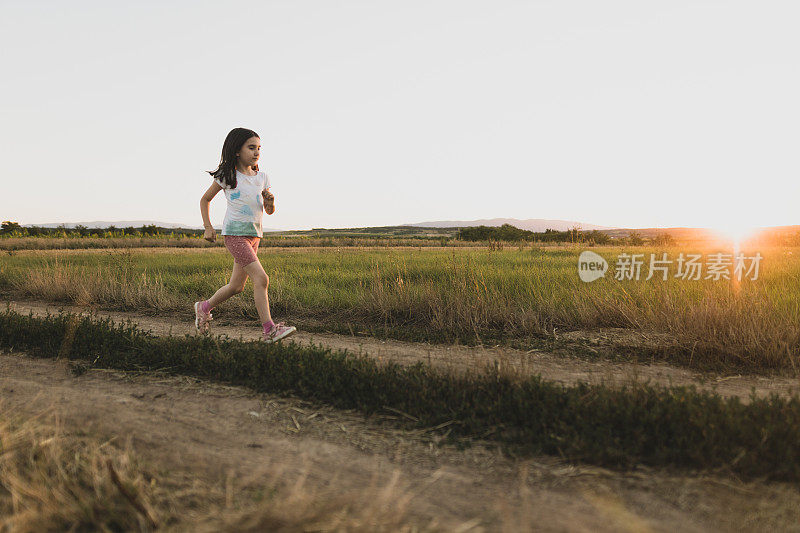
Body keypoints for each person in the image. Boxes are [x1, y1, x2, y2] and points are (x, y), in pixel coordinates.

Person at [194, 127, 296, 342]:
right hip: (234, 235)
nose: (257, 152)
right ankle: (269, 329)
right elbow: (205, 200)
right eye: (251, 147)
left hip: (254, 236)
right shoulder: (228, 175)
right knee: (261, 278)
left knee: (236, 287)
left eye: (259, 148)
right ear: (237, 150)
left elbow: (268, 211)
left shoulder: (262, 177)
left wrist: (270, 202)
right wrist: (208, 227)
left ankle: (203, 308)